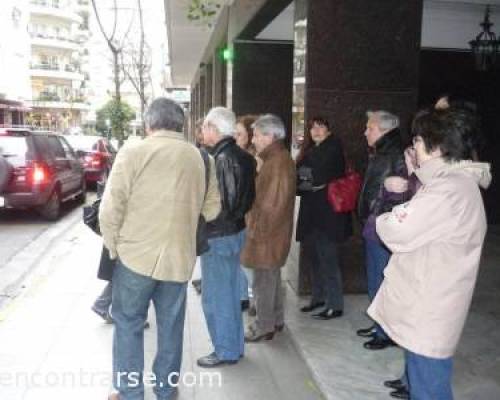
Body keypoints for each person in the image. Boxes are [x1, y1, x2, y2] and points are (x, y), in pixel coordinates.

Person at [99, 98, 221, 400]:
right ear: (180, 124)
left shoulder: (134, 152)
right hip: (179, 260)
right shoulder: (202, 159)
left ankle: (130, 392)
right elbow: (213, 208)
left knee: (128, 324)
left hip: (135, 258)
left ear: (149, 124)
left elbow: (110, 209)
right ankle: (165, 390)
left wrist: (114, 248)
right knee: (170, 328)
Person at [369, 107, 491, 400]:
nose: (413, 149)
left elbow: (397, 229)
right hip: (433, 299)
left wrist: (386, 216)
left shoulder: (448, 190)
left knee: (428, 385)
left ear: (436, 147)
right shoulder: (450, 183)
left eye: (418, 143)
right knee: (425, 375)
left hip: (431, 303)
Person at [197, 107, 256, 368]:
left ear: (215, 129)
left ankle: (225, 350)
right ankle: (233, 346)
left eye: (205, 127)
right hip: (233, 232)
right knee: (230, 293)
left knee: (217, 296)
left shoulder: (223, 159)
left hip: (220, 235)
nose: (202, 132)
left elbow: (226, 204)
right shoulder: (241, 156)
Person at [356, 110, 410, 350]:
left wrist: (380, 216)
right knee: (375, 278)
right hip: (374, 223)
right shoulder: (382, 151)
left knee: (381, 280)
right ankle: (379, 323)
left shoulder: (395, 153)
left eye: (371, 128)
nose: (365, 131)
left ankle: (385, 332)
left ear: (385, 130)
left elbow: (401, 194)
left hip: (383, 226)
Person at [240, 114, 296, 342]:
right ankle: (275, 320)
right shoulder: (277, 160)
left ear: (270, 136)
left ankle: (264, 326)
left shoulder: (277, 163)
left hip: (266, 235)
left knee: (263, 281)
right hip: (271, 234)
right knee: (269, 279)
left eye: (256, 135)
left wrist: (254, 231)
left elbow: (272, 205)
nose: (253, 140)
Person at [296, 116, 352, 320]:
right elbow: (300, 179)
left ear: (329, 129)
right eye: (312, 127)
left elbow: (316, 176)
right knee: (314, 258)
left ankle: (335, 304)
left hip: (328, 215)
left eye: (321, 126)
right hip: (312, 213)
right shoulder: (311, 150)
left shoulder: (333, 148)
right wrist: (305, 178)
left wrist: (306, 177)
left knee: (328, 260)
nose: (316, 130)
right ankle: (318, 298)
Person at [235, 114, 259, 315]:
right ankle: (244, 297)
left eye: (240, 134)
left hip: (251, 218)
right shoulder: (241, 156)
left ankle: (254, 299)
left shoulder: (254, 160)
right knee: (241, 261)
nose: (236, 137)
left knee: (249, 263)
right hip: (242, 217)